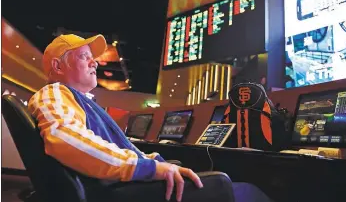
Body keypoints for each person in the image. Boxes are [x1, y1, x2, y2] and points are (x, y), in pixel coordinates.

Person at [28, 34, 274, 202]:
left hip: (117, 187)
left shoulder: (80, 102)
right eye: (83, 56)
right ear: (58, 67)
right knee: (242, 190)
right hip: (113, 193)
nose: (94, 61)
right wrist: (147, 167)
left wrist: (153, 160)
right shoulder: (55, 92)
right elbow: (65, 138)